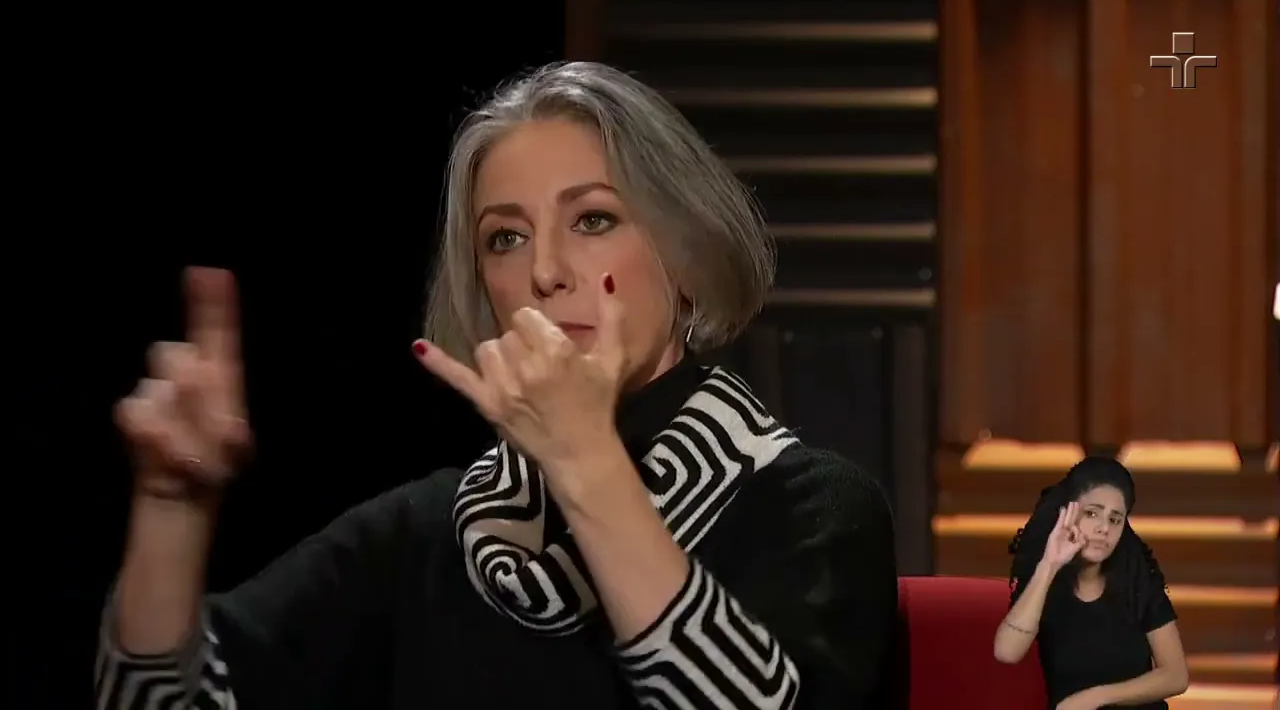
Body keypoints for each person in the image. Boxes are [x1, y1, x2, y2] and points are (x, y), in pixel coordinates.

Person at [93, 61, 899, 710]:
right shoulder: (428, 533)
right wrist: (171, 505)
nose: (545, 271)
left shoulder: (810, 507)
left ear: (685, 255)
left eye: (593, 220)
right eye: (505, 238)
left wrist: (586, 461)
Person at [993, 457, 1189, 710]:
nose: (1103, 528)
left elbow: (1175, 676)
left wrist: (1095, 698)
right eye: (1092, 513)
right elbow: (1006, 652)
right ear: (1068, 515)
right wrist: (1050, 564)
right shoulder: (1046, 582)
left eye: (1115, 519)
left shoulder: (1137, 579)